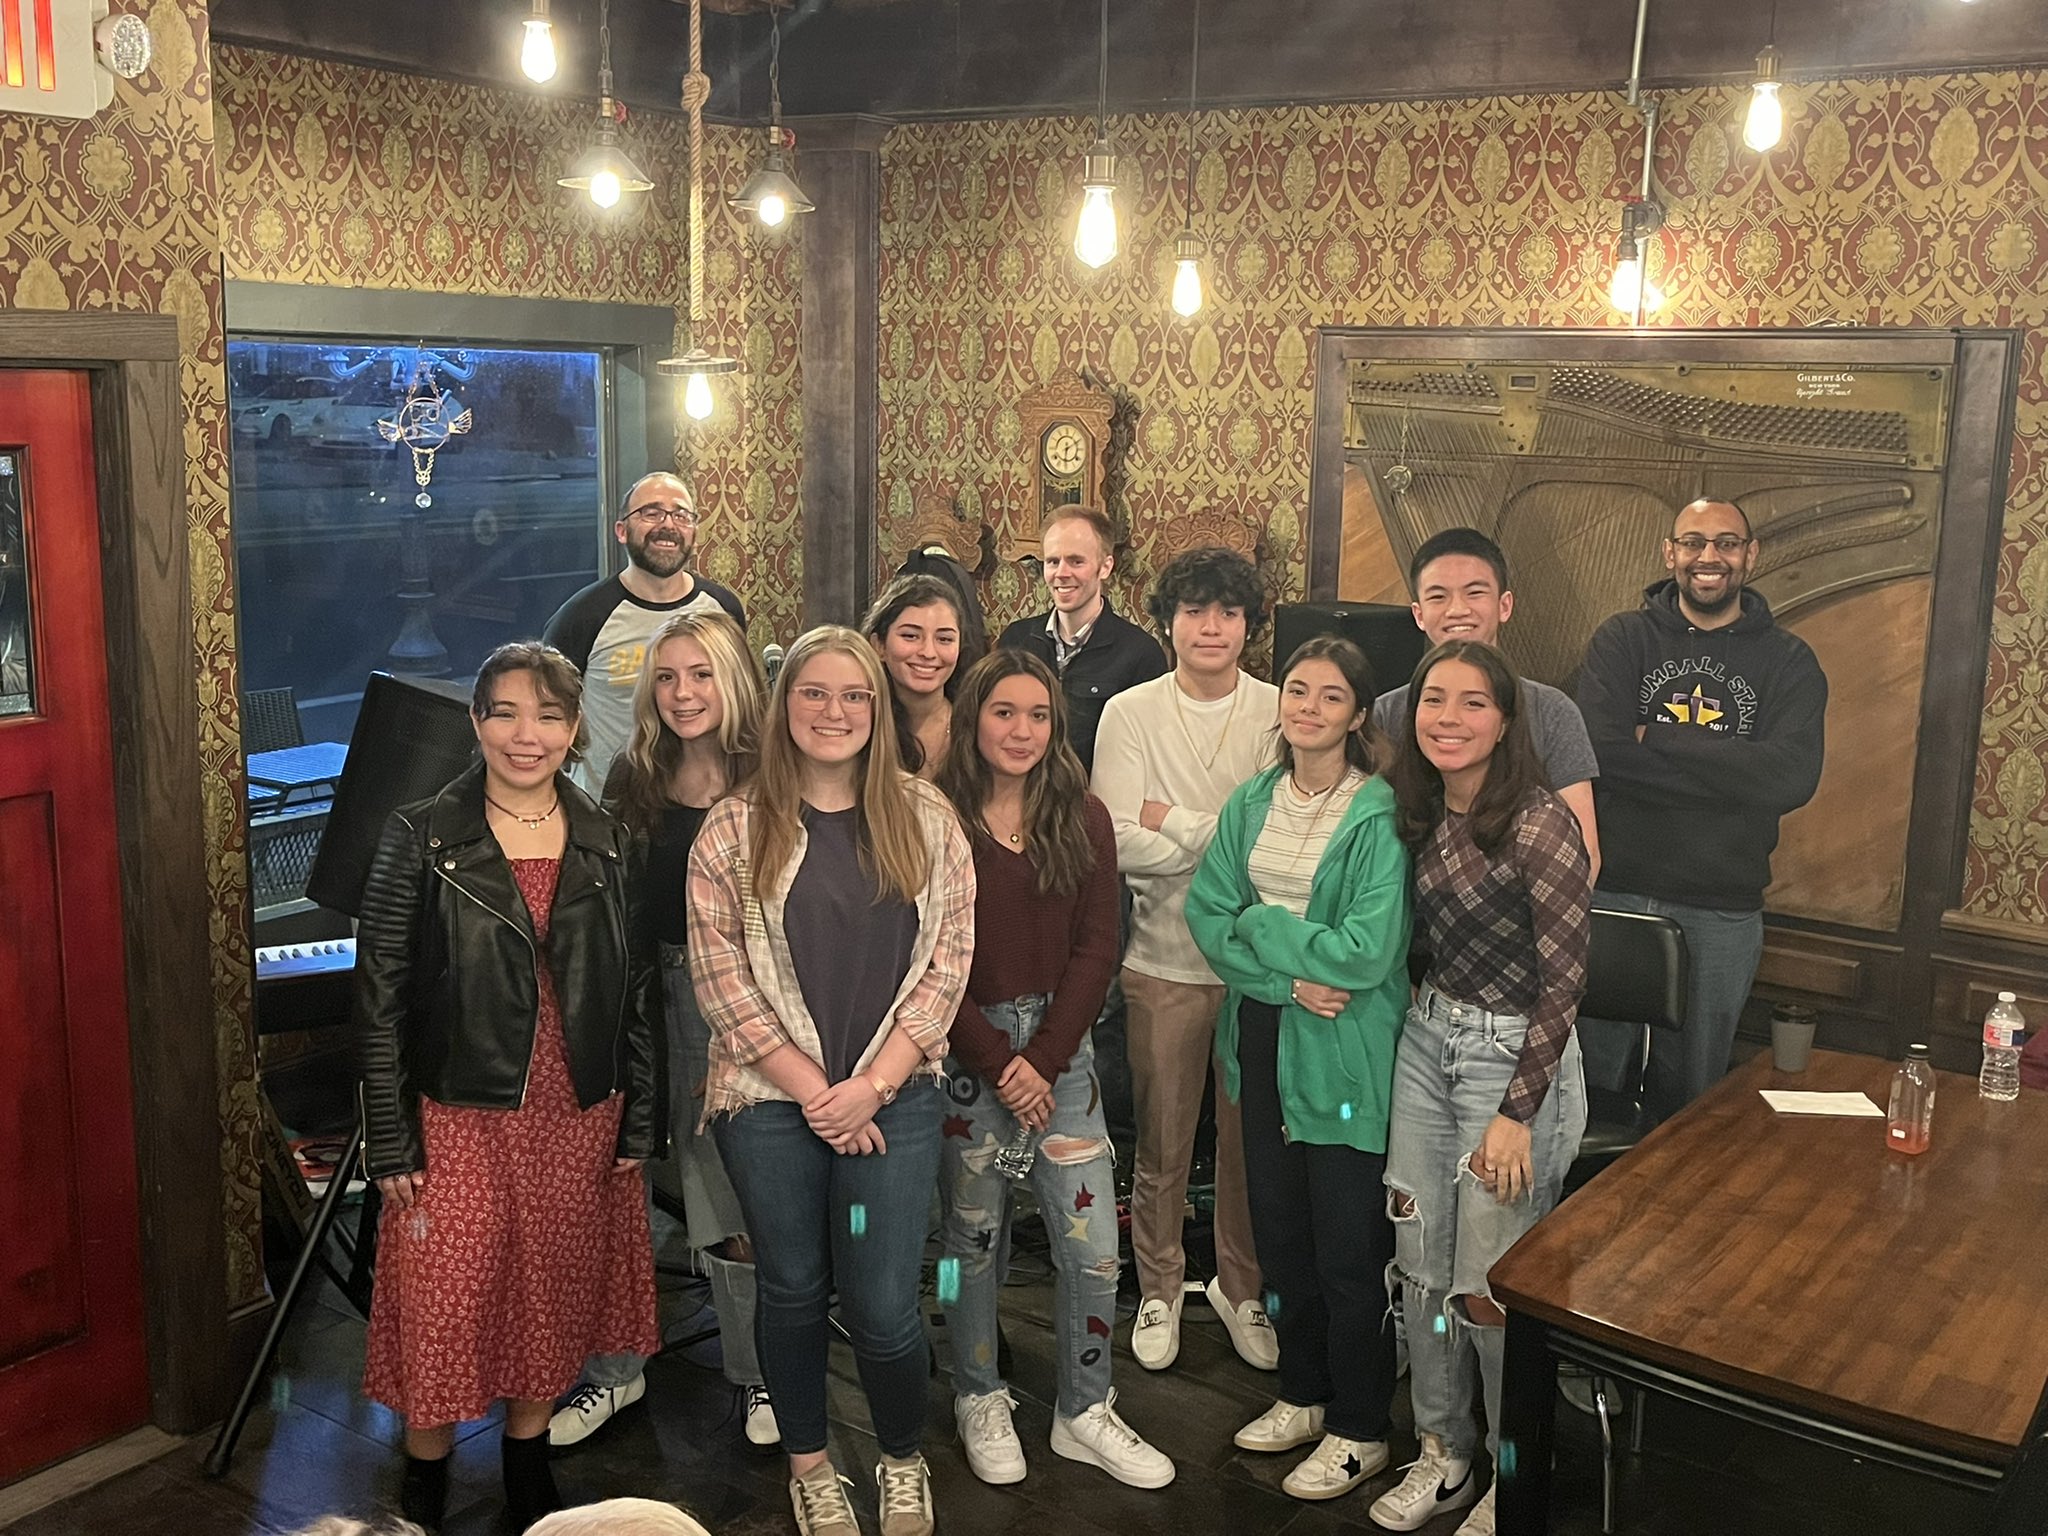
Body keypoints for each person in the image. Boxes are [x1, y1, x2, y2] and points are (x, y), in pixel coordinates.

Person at [353, 642, 661, 1533]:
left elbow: (637, 992)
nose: (528, 736)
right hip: (457, 1106)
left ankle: (527, 1461)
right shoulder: (420, 834)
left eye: (549, 717)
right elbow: (378, 997)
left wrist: (640, 1121)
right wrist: (388, 1136)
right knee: (444, 1295)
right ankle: (426, 1471)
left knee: (548, 1289)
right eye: (506, 713)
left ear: (574, 729)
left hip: (578, 1105)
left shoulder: (609, 839)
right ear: (476, 721)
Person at [687, 626, 975, 1536]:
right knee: (793, 1288)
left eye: (855, 695)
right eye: (814, 692)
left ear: (878, 710)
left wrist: (872, 1087)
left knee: (885, 1306)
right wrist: (820, 1093)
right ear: (784, 707)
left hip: (895, 1098)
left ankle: (901, 1458)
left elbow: (949, 965)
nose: (834, 711)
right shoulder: (733, 827)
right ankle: (809, 1467)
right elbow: (722, 984)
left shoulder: (927, 817)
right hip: (769, 1106)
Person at [933, 651, 1175, 1491]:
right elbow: (927, 958)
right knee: (970, 1242)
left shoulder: (1085, 816)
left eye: (1038, 715)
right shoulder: (935, 815)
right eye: (1004, 712)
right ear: (973, 717)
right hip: (966, 1054)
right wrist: (1000, 1062)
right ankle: (976, 1393)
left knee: (1094, 1250)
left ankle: (1086, 1407)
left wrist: (1041, 1060)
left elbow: (1098, 946)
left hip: (1063, 1055)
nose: (1021, 730)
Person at [543, 611, 777, 1451]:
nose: (683, 693)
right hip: (644, 996)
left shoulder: (772, 775)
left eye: (701, 674)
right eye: (667, 678)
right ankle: (615, 1369)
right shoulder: (632, 777)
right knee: (618, 1188)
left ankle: (759, 1375)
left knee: (734, 1198)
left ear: (733, 680)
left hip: (745, 1000)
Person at [1185, 635, 1411, 1503]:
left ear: (1358, 716)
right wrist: (1281, 975)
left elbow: (1364, 953)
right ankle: (1303, 1393)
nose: (1308, 708)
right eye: (1296, 690)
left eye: (1330, 696)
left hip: (1343, 1046)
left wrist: (1261, 926)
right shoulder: (1251, 800)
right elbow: (1210, 915)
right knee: (1281, 1236)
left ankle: (1361, 1427)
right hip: (1263, 1031)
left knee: (1349, 1249)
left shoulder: (1378, 815)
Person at [1374, 640, 1591, 1536]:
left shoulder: (1539, 823)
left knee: (1489, 1288)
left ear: (1505, 721)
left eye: (1472, 703)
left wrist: (1515, 1115)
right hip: (1428, 1038)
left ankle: (1512, 1471)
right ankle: (1442, 1451)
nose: (1449, 719)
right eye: (1434, 700)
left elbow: (1565, 985)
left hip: (1516, 1058)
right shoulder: (1417, 809)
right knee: (1422, 1263)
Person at [1089, 544, 1280, 1374]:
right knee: (1162, 1147)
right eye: (1194, 610)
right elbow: (1113, 837)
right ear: (1167, 621)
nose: (1211, 627)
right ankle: (1159, 1287)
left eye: (1228, 612)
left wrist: (1168, 817)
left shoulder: (1280, 709)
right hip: (1161, 961)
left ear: (1248, 625)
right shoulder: (1129, 712)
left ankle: (1241, 1287)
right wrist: (1222, 836)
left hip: (1257, 969)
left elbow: (1278, 843)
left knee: (1247, 1147)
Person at [1574, 498, 1826, 1125]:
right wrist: (1735, 772)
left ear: (1750, 554)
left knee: (1694, 1096)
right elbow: (1601, 753)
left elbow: (1791, 778)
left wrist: (1656, 736)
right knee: (1586, 1086)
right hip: (1613, 891)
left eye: (1726, 543)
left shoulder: (1789, 661)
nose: (1708, 556)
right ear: (1670, 553)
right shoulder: (1623, 639)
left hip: (1721, 903)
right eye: (1693, 542)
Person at [1371, 527, 1600, 879]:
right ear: (1418, 614)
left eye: (1475, 593)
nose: (1457, 610)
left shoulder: (1552, 711)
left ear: (1504, 605)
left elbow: (1583, 854)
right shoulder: (1387, 713)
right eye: (1438, 597)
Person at [544, 471, 747, 791]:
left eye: (681, 515)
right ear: (622, 531)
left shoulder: (723, 609)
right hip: (608, 806)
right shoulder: (582, 618)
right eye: (651, 513)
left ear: (694, 533)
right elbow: (547, 714)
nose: (668, 524)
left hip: (705, 800)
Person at [996, 505, 1167, 775]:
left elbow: (1149, 755)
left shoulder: (1140, 654)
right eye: (1053, 561)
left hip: (1097, 796)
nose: (1061, 573)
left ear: (1105, 567)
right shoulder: (1016, 640)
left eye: (1076, 561)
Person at [862, 573, 977, 779]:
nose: (928, 653)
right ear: (879, 646)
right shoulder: (860, 727)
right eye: (910, 636)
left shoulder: (979, 726)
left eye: (944, 639)